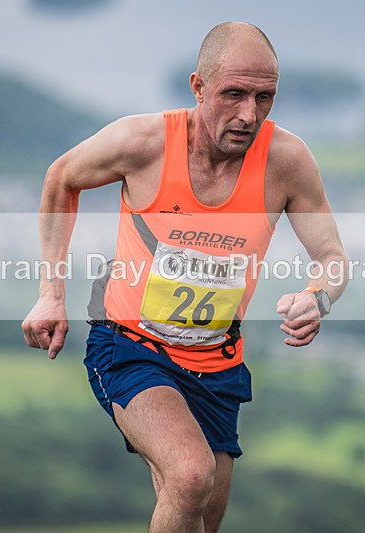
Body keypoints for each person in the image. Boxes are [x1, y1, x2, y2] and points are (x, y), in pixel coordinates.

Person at [22, 21, 348, 533]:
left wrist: (318, 297)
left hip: (217, 363)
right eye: (234, 94)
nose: (249, 114)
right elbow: (61, 177)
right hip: (130, 346)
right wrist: (50, 294)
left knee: (202, 516)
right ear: (198, 86)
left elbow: (331, 257)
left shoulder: (286, 160)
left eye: (264, 98)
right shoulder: (144, 142)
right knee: (191, 475)